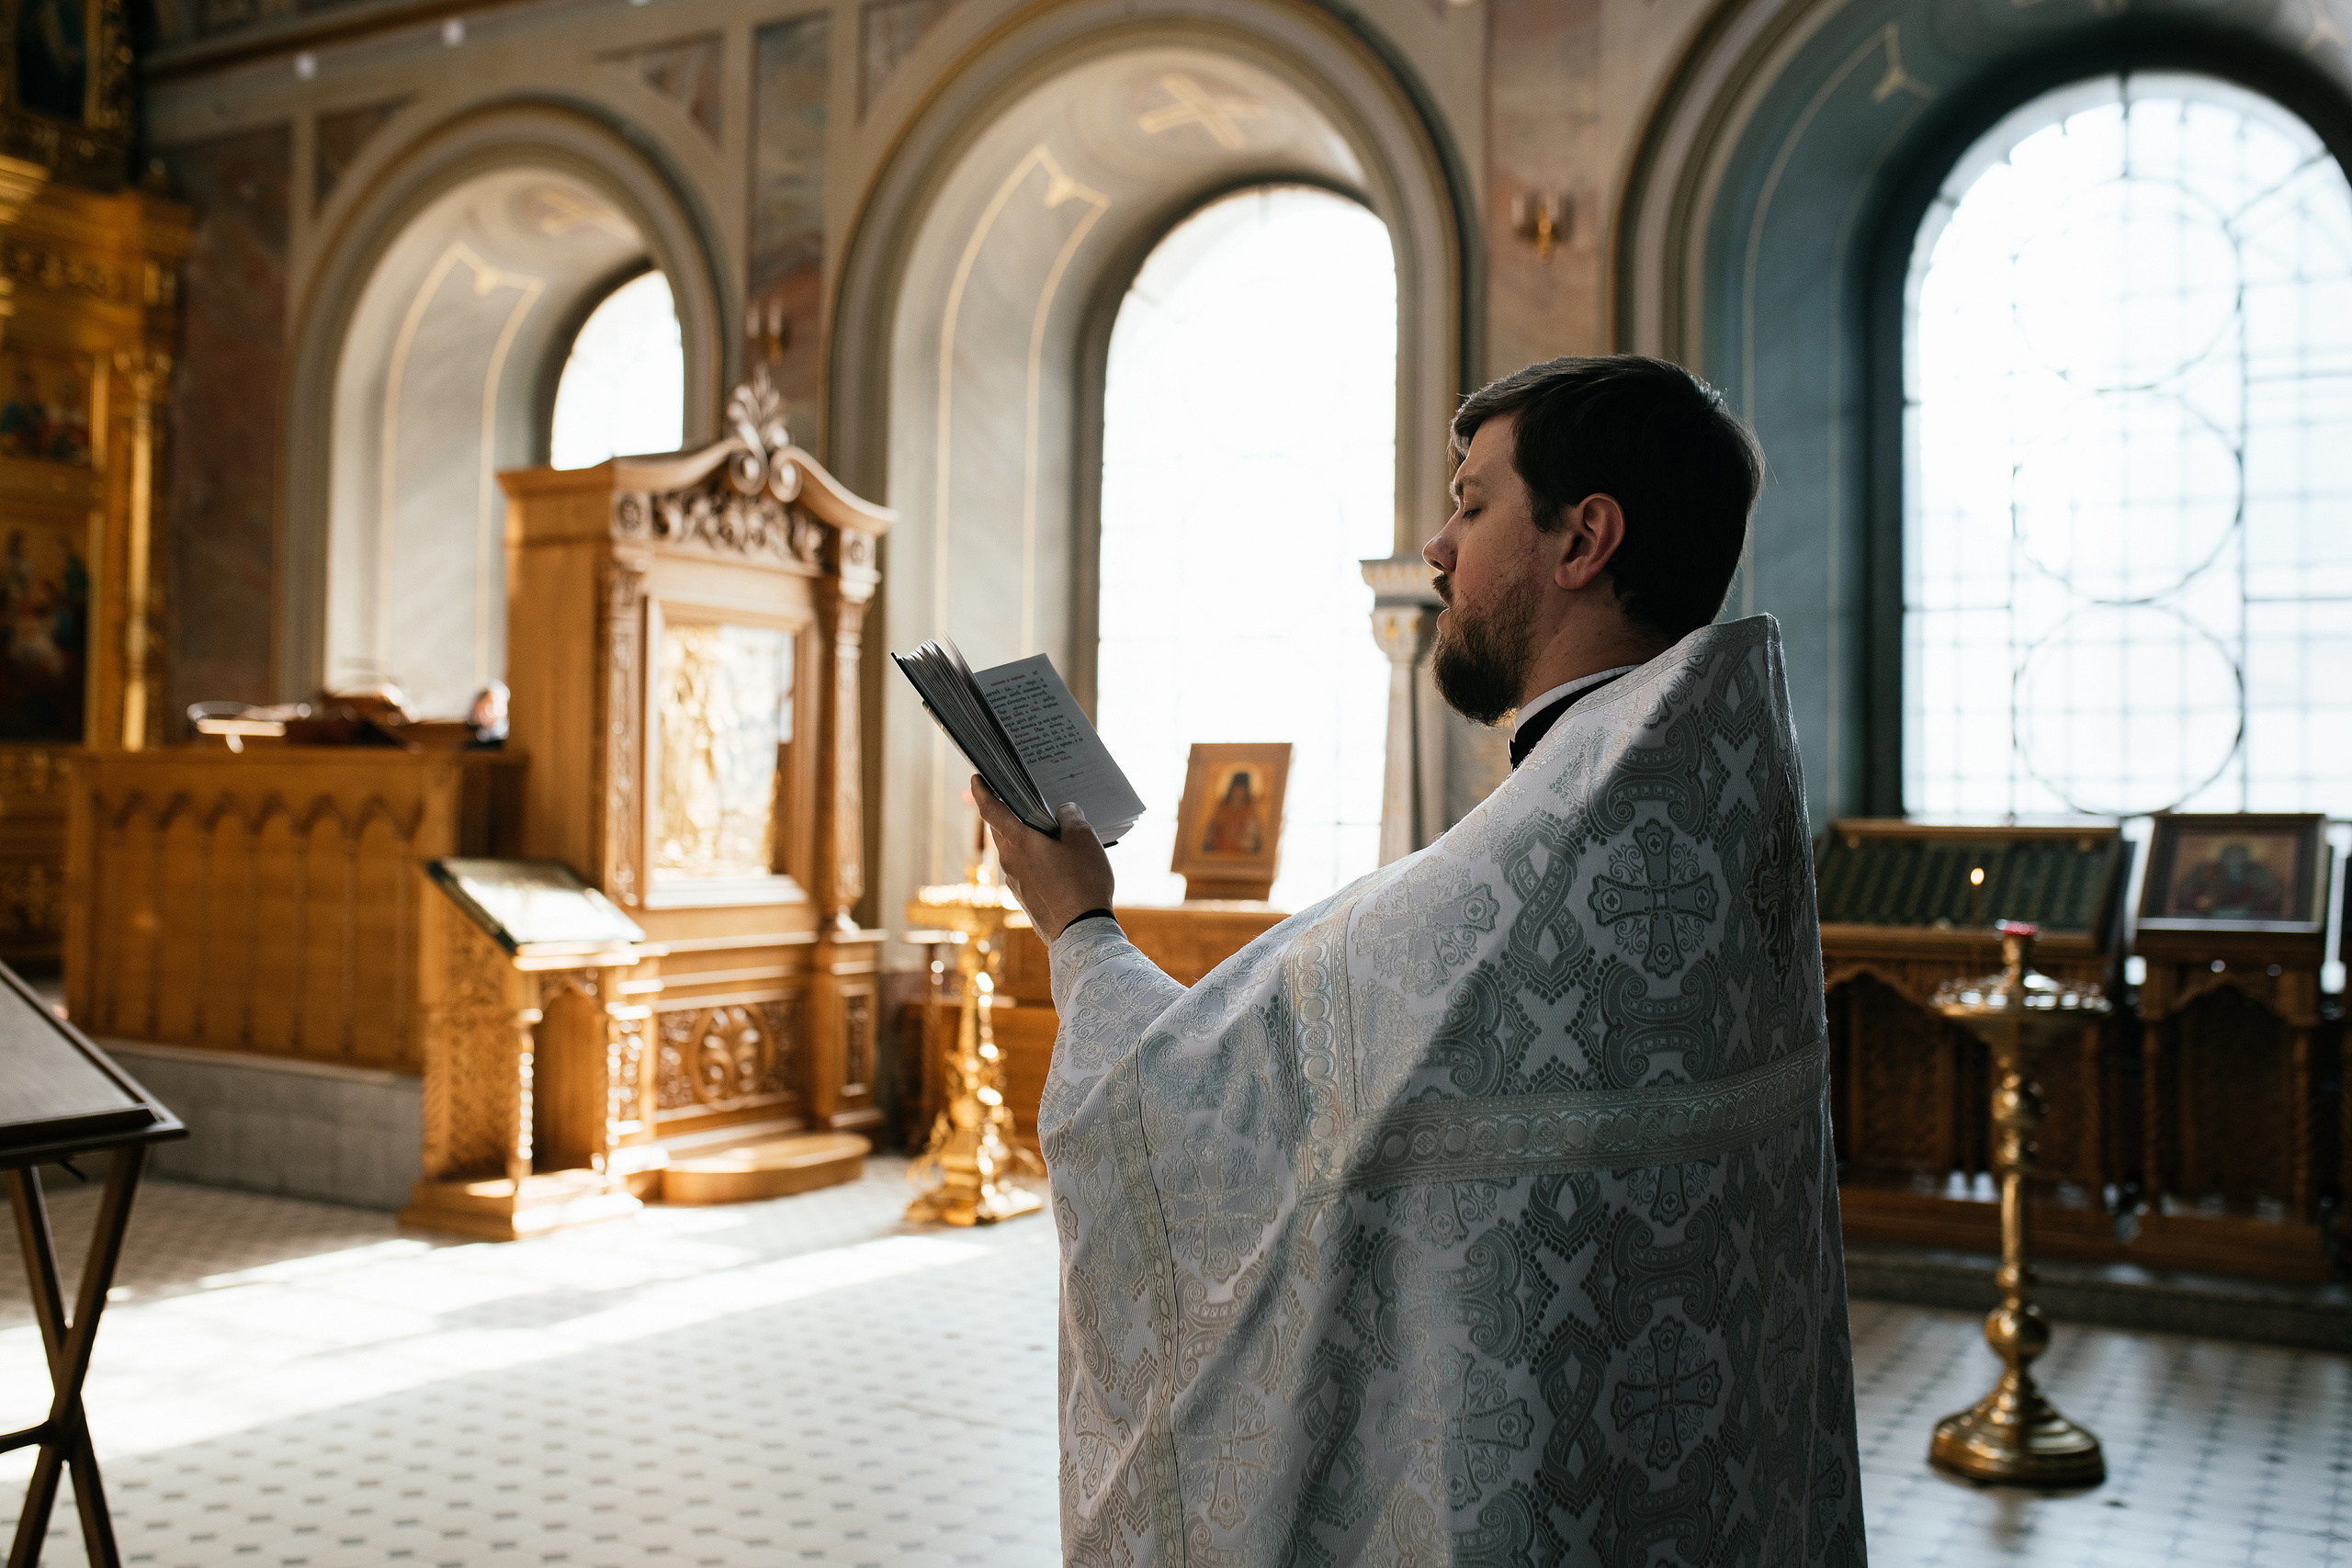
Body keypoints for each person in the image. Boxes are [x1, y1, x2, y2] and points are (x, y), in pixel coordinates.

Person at [975, 355, 1864, 1565]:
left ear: (1583, 538)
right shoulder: (1696, 808)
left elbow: (1181, 1103)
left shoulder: (1534, 866)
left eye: (1471, 501)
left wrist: (1076, 925)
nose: (1438, 547)